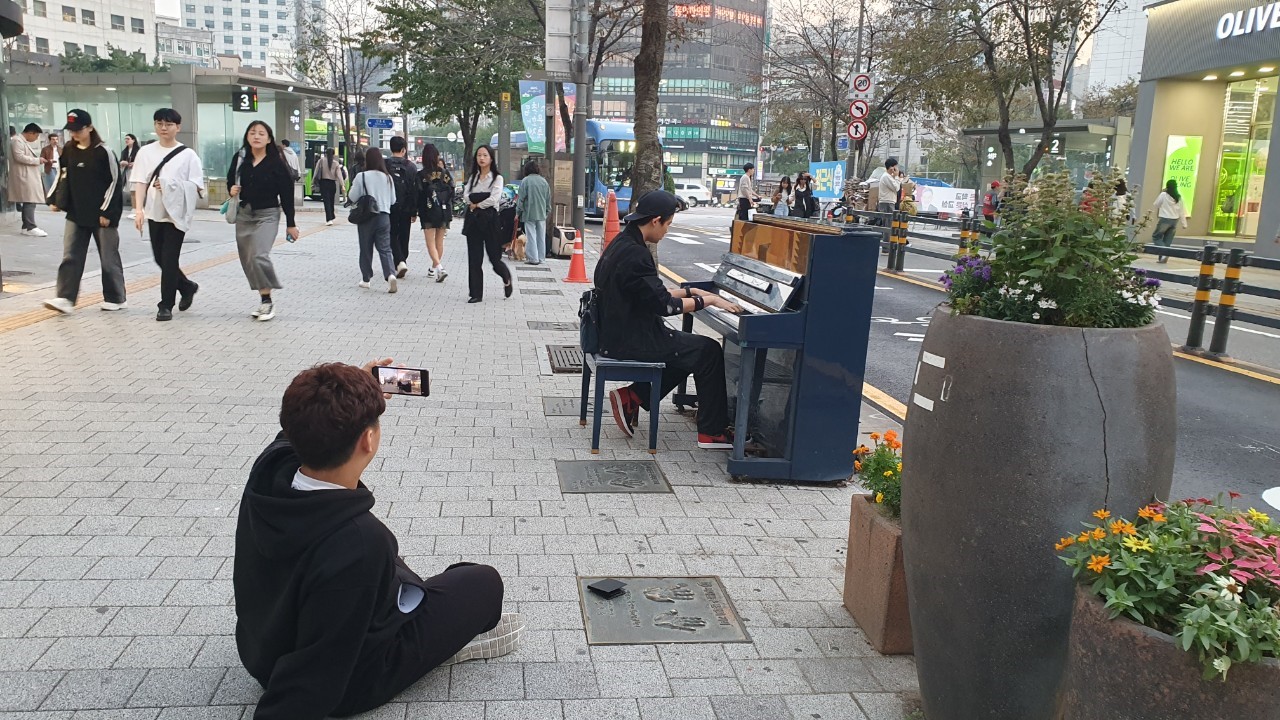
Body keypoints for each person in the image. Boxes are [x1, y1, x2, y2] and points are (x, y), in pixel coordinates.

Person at [234, 359, 519, 719]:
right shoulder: (359, 541)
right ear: (368, 440)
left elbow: (302, 425)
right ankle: (444, 648)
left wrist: (359, 386)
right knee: (482, 582)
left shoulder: (270, 468)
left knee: (401, 573)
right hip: (346, 682)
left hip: (262, 650)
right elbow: (316, 676)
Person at [594, 190, 743, 449]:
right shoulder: (637, 254)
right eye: (668, 224)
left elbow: (650, 293)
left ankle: (633, 396)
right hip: (629, 338)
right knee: (707, 350)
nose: (667, 231)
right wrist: (709, 300)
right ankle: (712, 432)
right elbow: (664, 305)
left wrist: (691, 291)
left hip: (616, 329)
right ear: (655, 221)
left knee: (689, 348)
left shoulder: (622, 243)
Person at [43, 109, 127, 315]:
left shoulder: (103, 152)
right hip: (76, 213)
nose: (74, 134)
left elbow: (115, 183)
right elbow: (63, 177)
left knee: (108, 258)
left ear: (90, 128)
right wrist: (54, 200)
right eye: (71, 130)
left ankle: (116, 298)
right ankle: (65, 298)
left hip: (102, 215)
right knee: (70, 255)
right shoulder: (69, 150)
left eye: (78, 129)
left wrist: (106, 212)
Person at [131, 108, 206, 322]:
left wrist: (170, 186)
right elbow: (140, 182)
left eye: (168, 124)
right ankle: (187, 286)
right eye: (159, 123)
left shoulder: (188, 155)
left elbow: (197, 186)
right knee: (159, 258)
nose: (163, 128)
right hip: (155, 212)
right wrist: (139, 210)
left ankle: (165, 305)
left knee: (170, 258)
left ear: (178, 127)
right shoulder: (146, 152)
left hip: (176, 215)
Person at [228, 120, 299, 322]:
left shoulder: (276, 162)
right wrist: (231, 189)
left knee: (260, 254)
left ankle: (268, 301)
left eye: (261, 133)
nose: (256, 136)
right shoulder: (241, 158)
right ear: (247, 137)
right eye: (252, 133)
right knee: (248, 258)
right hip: (244, 213)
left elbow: (286, 194)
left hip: (267, 214)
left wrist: (291, 224)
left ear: (269, 138)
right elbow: (229, 179)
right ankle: (263, 298)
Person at [461, 145, 512, 303]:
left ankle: (506, 277)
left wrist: (477, 203)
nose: (481, 158)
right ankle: (476, 293)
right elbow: (466, 196)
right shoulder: (473, 177)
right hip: (473, 221)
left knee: (494, 258)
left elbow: (494, 199)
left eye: (485, 155)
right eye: (479, 155)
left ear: (491, 158)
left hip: (490, 221)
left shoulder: (497, 178)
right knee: (474, 259)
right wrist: (478, 199)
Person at [348, 148, 399, 292]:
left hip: (366, 217)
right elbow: (393, 200)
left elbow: (352, 196)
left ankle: (366, 279)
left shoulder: (362, 176)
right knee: (385, 248)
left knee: (365, 248)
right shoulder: (388, 177)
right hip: (384, 216)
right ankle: (390, 275)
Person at [416, 143, 453, 282]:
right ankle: (434, 269)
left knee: (430, 242)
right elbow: (452, 190)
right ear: (437, 156)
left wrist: (415, 212)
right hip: (444, 210)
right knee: (439, 242)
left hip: (428, 211)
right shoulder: (445, 173)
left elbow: (418, 195)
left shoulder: (421, 175)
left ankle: (439, 268)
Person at [384, 136, 419, 279]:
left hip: (389, 205)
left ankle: (398, 261)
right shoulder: (411, 167)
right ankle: (402, 259)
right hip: (406, 206)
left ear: (391, 148)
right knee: (404, 234)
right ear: (404, 149)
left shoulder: (384, 164)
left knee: (392, 233)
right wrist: (414, 211)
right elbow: (415, 189)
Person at [9, 123, 49, 237]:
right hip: (23, 176)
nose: (36, 139)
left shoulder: (21, 141)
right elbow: (19, 157)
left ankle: (26, 226)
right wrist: (37, 160)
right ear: (30, 133)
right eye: (36, 136)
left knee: (29, 200)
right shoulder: (17, 141)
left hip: (26, 175)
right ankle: (31, 226)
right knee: (30, 200)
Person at [516, 160, 551, 265]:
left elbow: (521, 199)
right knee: (541, 236)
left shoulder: (525, 181)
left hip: (529, 213)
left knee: (531, 235)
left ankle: (533, 258)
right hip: (541, 213)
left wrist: (518, 212)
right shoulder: (544, 181)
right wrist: (547, 211)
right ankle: (541, 258)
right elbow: (548, 198)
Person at [1150, 179, 1187, 264]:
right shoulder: (1178, 197)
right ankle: (1163, 259)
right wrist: (1184, 224)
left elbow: (1156, 204)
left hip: (1165, 219)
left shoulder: (1163, 195)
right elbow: (1182, 211)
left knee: (1156, 237)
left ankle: (1164, 254)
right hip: (1174, 221)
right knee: (1168, 240)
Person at [312, 147, 345, 226]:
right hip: (332, 184)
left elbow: (316, 172)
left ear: (325, 153)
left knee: (326, 201)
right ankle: (331, 215)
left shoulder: (321, 161)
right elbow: (339, 175)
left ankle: (329, 218)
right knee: (331, 200)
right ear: (333, 154)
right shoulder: (336, 163)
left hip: (323, 183)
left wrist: (313, 182)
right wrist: (342, 185)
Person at [120, 133, 139, 213]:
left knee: (135, 190)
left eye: (128, 139)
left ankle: (136, 208)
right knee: (131, 190)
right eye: (125, 139)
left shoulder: (138, 150)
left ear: (133, 140)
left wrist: (135, 163)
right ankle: (134, 208)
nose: (126, 140)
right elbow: (120, 161)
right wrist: (122, 162)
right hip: (128, 172)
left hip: (136, 172)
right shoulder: (124, 151)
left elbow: (142, 161)